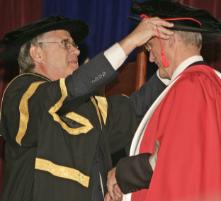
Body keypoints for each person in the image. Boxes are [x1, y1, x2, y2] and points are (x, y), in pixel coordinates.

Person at [0, 15, 173, 201]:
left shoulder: (86, 106)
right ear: (37, 53)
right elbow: (69, 90)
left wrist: (170, 67)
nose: (76, 50)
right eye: (66, 43)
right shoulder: (21, 94)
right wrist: (131, 41)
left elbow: (133, 110)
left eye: (74, 44)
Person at [107, 1, 221, 201]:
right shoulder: (206, 83)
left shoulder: (192, 86)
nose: (150, 58)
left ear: (170, 39)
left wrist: (122, 174)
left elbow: (172, 164)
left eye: (150, 47)